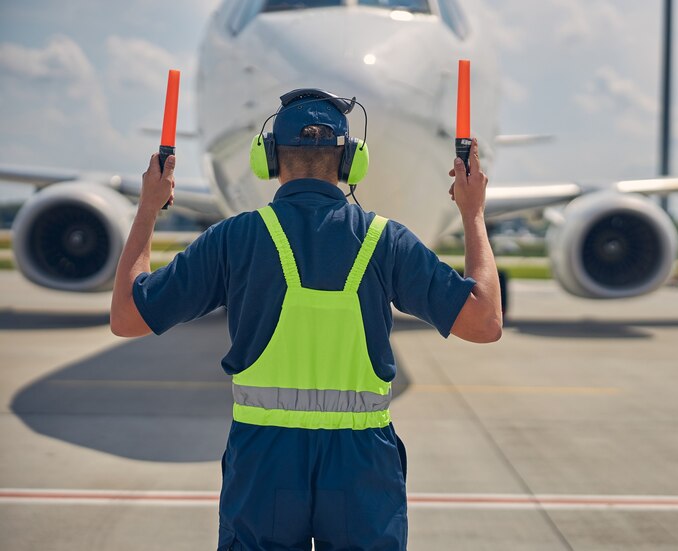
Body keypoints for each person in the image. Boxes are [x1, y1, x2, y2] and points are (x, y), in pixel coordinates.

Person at [110, 90, 502, 551]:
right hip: (361, 462)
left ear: (269, 158)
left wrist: (148, 208)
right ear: (352, 162)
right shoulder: (385, 241)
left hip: (264, 458)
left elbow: (127, 317)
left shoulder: (234, 238)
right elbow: (484, 322)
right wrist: (473, 213)